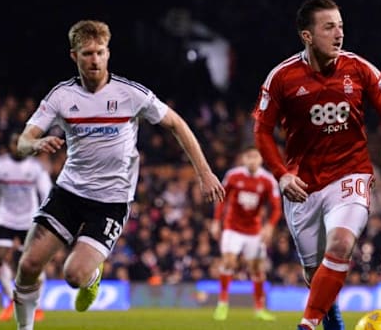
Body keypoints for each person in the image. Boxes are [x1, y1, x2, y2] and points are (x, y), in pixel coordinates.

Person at [12, 20, 225, 330]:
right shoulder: (61, 96)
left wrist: (204, 173)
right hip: (68, 193)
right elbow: (21, 142)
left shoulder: (130, 94)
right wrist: (35, 143)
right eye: (87, 54)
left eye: (100, 52)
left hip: (111, 203)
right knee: (28, 265)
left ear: (108, 53)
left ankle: (93, 275)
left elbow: (177, 124)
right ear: (74, 56)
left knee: (74, 276)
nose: (94, 60)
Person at [253, 0, 381, 330]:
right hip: (302, 186)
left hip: (351, 173)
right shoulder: (282, 77)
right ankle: (331, 322)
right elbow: (261, 132)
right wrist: (282, 175)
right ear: (307, 35)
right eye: (329, 27)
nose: (339, 33)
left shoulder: (360, 69)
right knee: (313, 272)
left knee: (343, 244)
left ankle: (306, 325)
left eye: (341, 26)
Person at [0, 133, 52, 322]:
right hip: (6, 219)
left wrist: (47, 218)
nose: (18, 147)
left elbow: (47, 192)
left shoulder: (35, 167)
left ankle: (36, 305)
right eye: (14, 143)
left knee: (34, 263)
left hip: (30, 219)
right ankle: (12, 301)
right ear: (9, 146)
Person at [210, 146, 282, 321]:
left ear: (260, 159)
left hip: (254, 231)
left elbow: (277, 208)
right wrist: (216, 221)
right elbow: (222, 198)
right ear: (244, 159)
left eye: (255, 156)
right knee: (229, 262)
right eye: (248, 156)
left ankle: (259, 309)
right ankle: (222, 304)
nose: (252, 160)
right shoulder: (233, 176)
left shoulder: (267, 180)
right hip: (232, 228)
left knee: (257, 269)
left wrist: (270, 227)